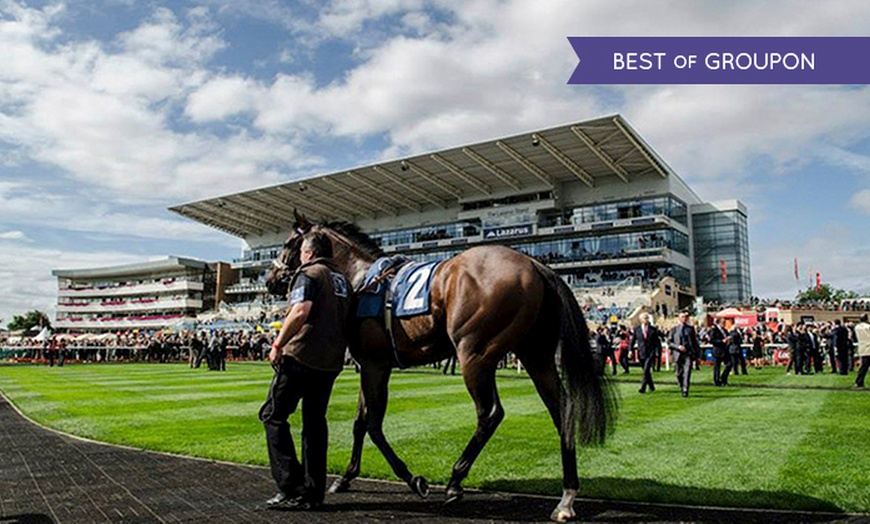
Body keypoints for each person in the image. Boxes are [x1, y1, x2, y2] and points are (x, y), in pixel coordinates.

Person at [260, 231, 351, 510]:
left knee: (272, 415)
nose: (300, 256)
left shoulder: (308, 273)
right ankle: (313, 492)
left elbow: (300, 311)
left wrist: (277, 344)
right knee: (314, 424)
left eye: (302, 252)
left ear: (309, 253)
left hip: (300, 356)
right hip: (330, 363)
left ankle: (291, 486)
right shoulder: (343, 281)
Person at [668, 311, 700, 397]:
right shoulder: (674, 329)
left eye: (685, 317)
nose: (684, 319)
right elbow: (669, 342)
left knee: (687, 372)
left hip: (688, 354)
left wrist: (697, 355)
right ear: (679, 318)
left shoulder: (690, 329)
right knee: (679, 373)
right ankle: (682, 384)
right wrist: (677, 347)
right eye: (682, 317)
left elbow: (694, 342)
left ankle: (685, 389)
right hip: (677, 354)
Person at [631, 312, 661, 394]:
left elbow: (657, 341)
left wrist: (657, 351)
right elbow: (633, 340)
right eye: (645, 318)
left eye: (647, 318)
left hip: (650, 352)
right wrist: (630, 350)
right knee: (646, 370)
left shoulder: (653, 329)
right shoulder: (637, 329)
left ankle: (642, 387)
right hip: (641, 353)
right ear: (641, 320)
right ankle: (651, 386)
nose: (647, 320)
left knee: (646, 370)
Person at [709, 318, 728, 386]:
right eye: (723, 322)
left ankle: (723, 377)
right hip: (717, 351)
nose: (724, 324)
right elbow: (712, 340)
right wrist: (721, 341)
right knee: (717, 367)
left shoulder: (725, 330)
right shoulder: (714, 330)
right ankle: (717, 381)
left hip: (724, 351)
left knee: (730, 364)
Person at [854, 314, 870, 388]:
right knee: (864, 366)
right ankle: (859, 381)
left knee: (863, 367)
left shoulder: (857, 327)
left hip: (862, 348)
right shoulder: (868, 327)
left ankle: (859, 382)